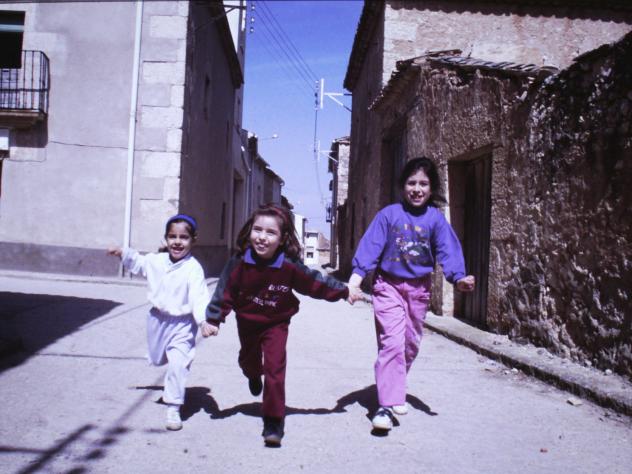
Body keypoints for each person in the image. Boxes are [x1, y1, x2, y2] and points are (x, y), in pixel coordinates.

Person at [202, 203, 351, 447]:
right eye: (257, 230)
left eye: (271, 233)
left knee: (274, 368)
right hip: (247, 321)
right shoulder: (239, 262)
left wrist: (344, 291)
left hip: (276, 323)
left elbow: (315, 283)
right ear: (249, 231)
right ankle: (252, 374)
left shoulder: (288, 266)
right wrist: (213, 318)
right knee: (249, 361)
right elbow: (224, 291)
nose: (262, 237)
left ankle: (273, 420)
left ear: (282, 239)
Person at [347, 157, 475, 431]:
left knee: (409, 344)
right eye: (411, 183)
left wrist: (458, 278)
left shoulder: (435, 219)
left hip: (418, 289)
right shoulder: (389, 215)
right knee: (391, 343)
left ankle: (395, 385)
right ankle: (385, 406)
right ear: (403, 185)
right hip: (388, 286)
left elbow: (448, 250)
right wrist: (355, 281)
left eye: (423, 184)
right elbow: (370, 247)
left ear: (432, 188)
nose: (417, 189)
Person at [107, 214, 214, 431]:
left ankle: (173, 407)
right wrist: (123, 253)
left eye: (184, 237)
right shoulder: (156, 261)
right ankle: (162, 358)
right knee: (157, 359)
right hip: (157, 320)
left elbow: (199, 297)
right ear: (166, 238)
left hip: (183, 323)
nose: (177, 242)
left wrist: (204, 321)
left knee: (178, 364)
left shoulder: (193, 268)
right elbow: (139, 263)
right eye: (172, 237)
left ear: (193, 240)